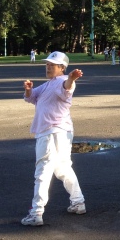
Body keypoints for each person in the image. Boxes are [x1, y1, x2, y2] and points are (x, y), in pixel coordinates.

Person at [20, 51, 86, 226]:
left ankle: (36, 212)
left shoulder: (61, 82)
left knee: (43, 170)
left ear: (62, 68)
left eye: (52, 65)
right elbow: (31, 97)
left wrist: (71, 78)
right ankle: (78, 202)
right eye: (47, 64)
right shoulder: (48, 84)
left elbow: (67, 88)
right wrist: (28, 90)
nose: (48, 67)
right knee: (63, 168)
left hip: (51, 132)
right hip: (61, 131)